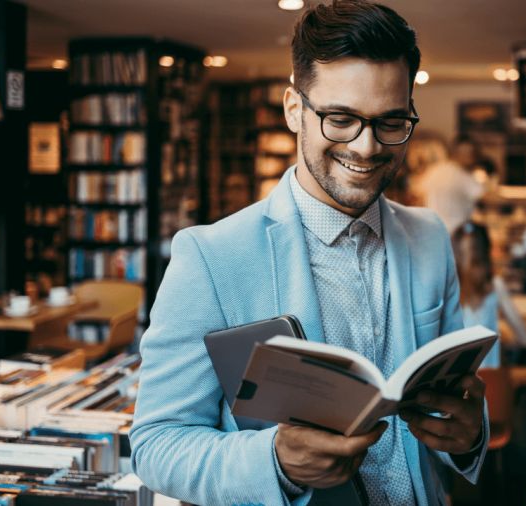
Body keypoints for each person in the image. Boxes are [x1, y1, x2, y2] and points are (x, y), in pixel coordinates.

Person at [129, 2, 489, 505]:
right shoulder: (209, 257)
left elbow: (453, 407)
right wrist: (274, 462)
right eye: (340, 119)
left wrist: (469, 437)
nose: (366, 147)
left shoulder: (429, 237)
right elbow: (156, 445)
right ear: (294, 108)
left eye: (391, 122)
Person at [408, 137, 484, 234]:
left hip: (434, 228)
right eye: (467, 153)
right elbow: (483, 195)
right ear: (456, 153)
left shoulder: (435, 170)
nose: (470, 157)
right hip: (457, 232)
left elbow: (417, 193)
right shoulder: (463, 175)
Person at [451, 222, 501, 368]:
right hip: (490, 384)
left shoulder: (451, 292)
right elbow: (524, 337)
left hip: (457, 384)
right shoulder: (495, 288)